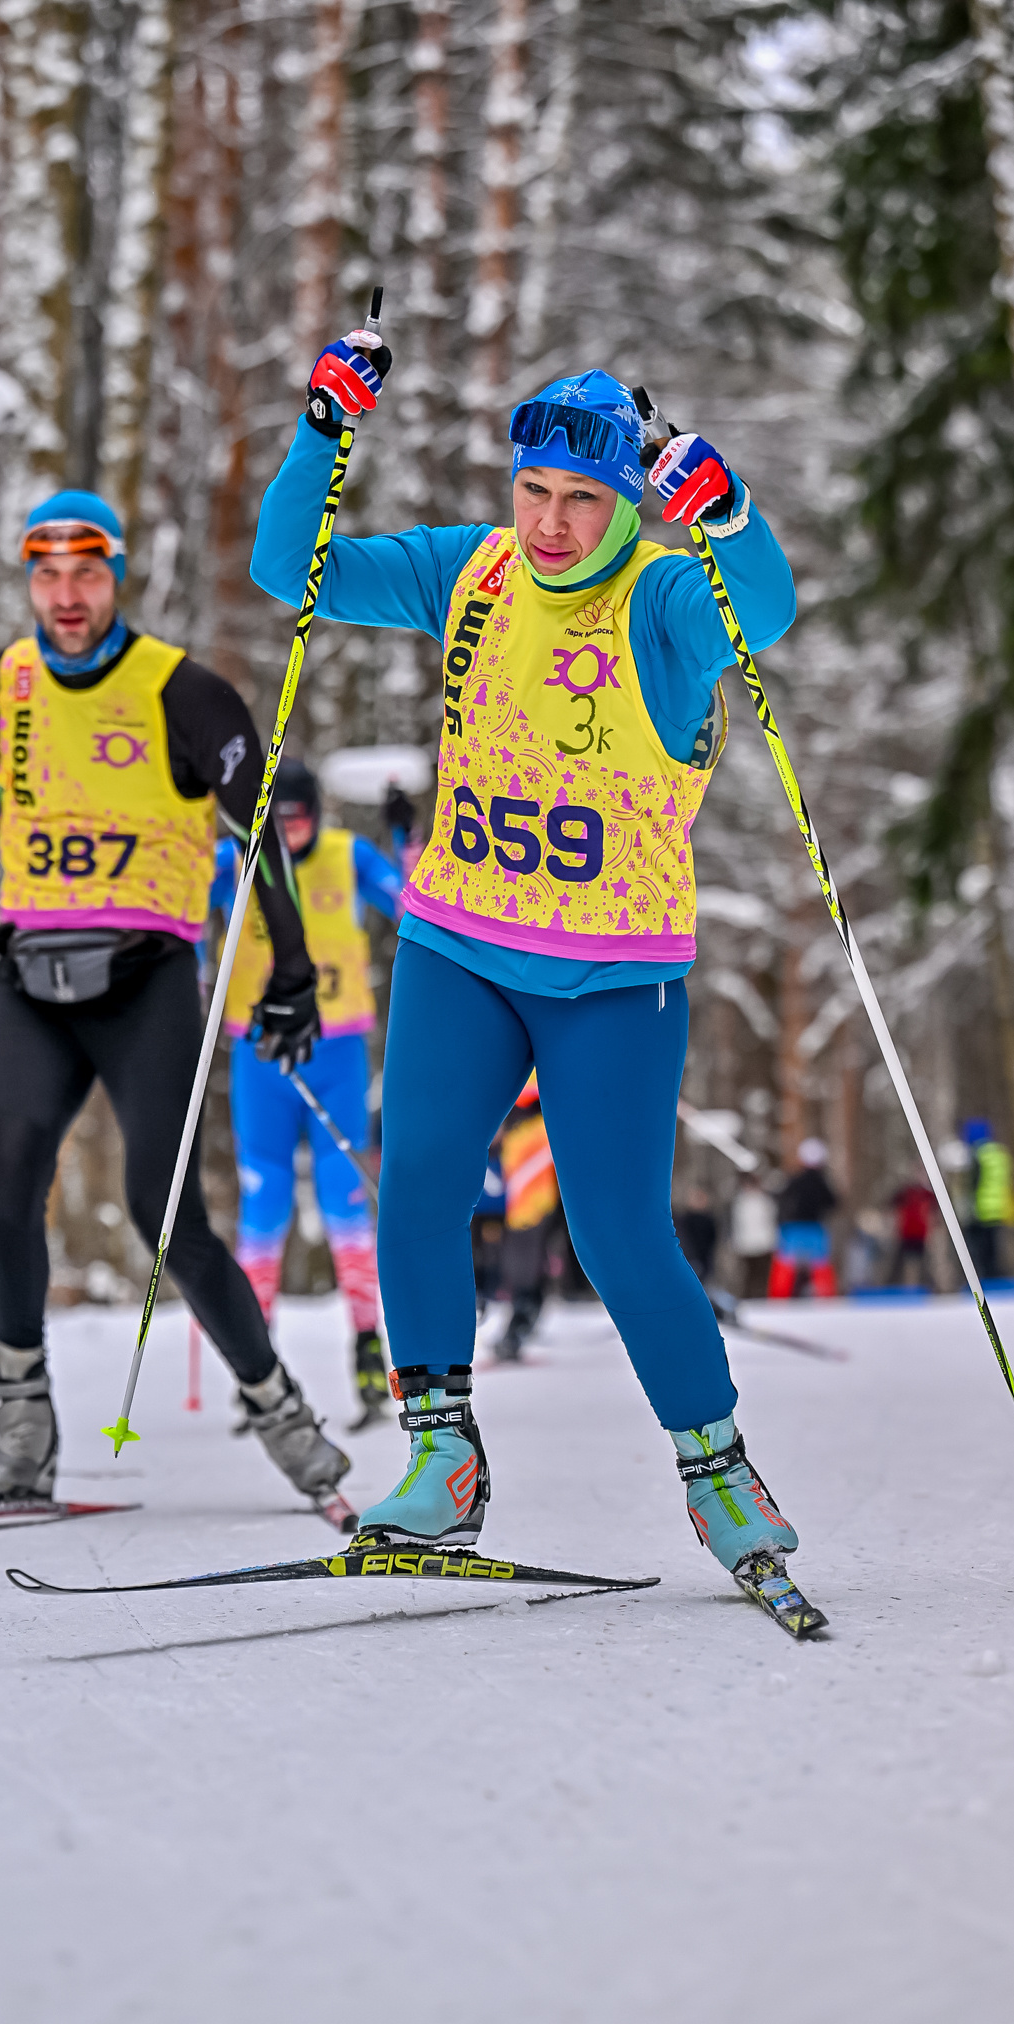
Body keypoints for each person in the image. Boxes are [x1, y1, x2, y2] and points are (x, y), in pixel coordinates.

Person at [251, 336, 803, 1594]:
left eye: (584, 500)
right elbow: (292, 567)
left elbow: (760, 614)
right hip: (461, 943)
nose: (552, 522)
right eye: (535, 491)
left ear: (627, 504)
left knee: (614, 1231)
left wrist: (730, 515)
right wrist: (324, 431)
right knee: (420, 1186)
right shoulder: (471, 569)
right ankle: (441, 1461)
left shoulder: (661, 597)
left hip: (614, 970)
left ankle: (719, 1471)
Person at [0, 489, 350, 1511]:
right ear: (27, 579)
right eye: (45, 573)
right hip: (30, 973)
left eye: (85, 572)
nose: (65, 595)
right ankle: (22, 1425)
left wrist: (289, 972)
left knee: (165, 1217)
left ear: (117, 575)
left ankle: (279, 1406)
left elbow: (265, 847)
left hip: (146, 979)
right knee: (11, 1186)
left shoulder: (186, 693)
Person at [211, 757, 406, 1423]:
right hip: (258, 1055)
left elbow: (412, 903)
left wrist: (403, 836)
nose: (290, 833)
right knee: (262, 1207)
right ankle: (256, 1368)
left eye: (301, 819)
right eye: (279, 820)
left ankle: (366, 1349)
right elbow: (176, 912)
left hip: (336, 1048)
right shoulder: (232, 858)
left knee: (345, 1205)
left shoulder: (345, 855)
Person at [494, 1074, 562, 1361]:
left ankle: (524, 1314)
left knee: (529, 1239)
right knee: (524, 1241)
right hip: (523, 1134)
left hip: (536, 1128)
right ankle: (524, 1311)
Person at [768, 1138, 838, 1298]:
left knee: (785, 1266)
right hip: (814, 1228)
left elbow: (781, 1198)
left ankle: (778, 1298)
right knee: (820, 1266)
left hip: (792, 1229)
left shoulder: (794, 1180)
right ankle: (826, 1297)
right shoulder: (822, 1182)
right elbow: (833, 1202)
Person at [963, 1118, 1014, 1281]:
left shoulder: (978, 1154)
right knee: (995, 1245)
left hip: (982, 1207)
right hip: (1000, 1205)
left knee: (982, 1247)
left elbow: (973, 1182)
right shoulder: (1000, 1153)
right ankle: (996, 1274)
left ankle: (986, 1277)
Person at [730, 1171, 777, 1298]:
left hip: (763, 1244)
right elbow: (738, 1224)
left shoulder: (764, 1200)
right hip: (747, 1245)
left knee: (762, 1275)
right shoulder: (740, 1202)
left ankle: (762, 1297)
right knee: (749, 1275)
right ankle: (748, 1298)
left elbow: (770, 1221)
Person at [888, 1175, 936, 1289]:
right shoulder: (905, 1193)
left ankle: (929, 1287)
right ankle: (907, 1287)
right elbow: (892, 1204)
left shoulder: (926, 1194)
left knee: (926, 1264)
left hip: (921, 1234)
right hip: (907, 1234)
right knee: (906, 1264)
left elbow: (934, 1210)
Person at [673, 1185, 718, 1287]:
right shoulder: (684, 1220)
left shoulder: (708, 1219)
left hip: (705, 1259)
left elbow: (712, 1239)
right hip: (692, 1258)